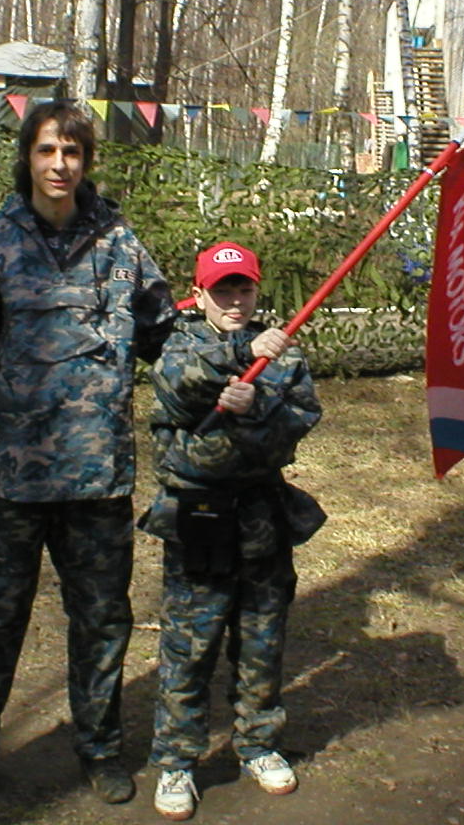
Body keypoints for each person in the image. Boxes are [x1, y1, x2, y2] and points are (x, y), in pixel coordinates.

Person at [0, 100, 176, 813]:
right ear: (28, 158)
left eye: (72, 151)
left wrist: (235, 344)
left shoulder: (121, 245)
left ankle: (99, 749)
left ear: (86, 160)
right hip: (12, 480)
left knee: (102, 624)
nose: (60, 164)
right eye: (46, 150)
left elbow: (165, 337)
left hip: (98, 481)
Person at [137, 241, 325, 821]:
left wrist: (255, 405)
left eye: (244, 288)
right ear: (200, 295)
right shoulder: (178, 344)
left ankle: (258, 743)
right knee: (189, 647)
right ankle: (177, 760)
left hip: (262, 515)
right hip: (200, 518)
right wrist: (243, 356)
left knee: (261, 639)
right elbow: (180, 389)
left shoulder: (283, 354)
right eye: (223, 291)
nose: (235, 301)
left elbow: (298, 422)